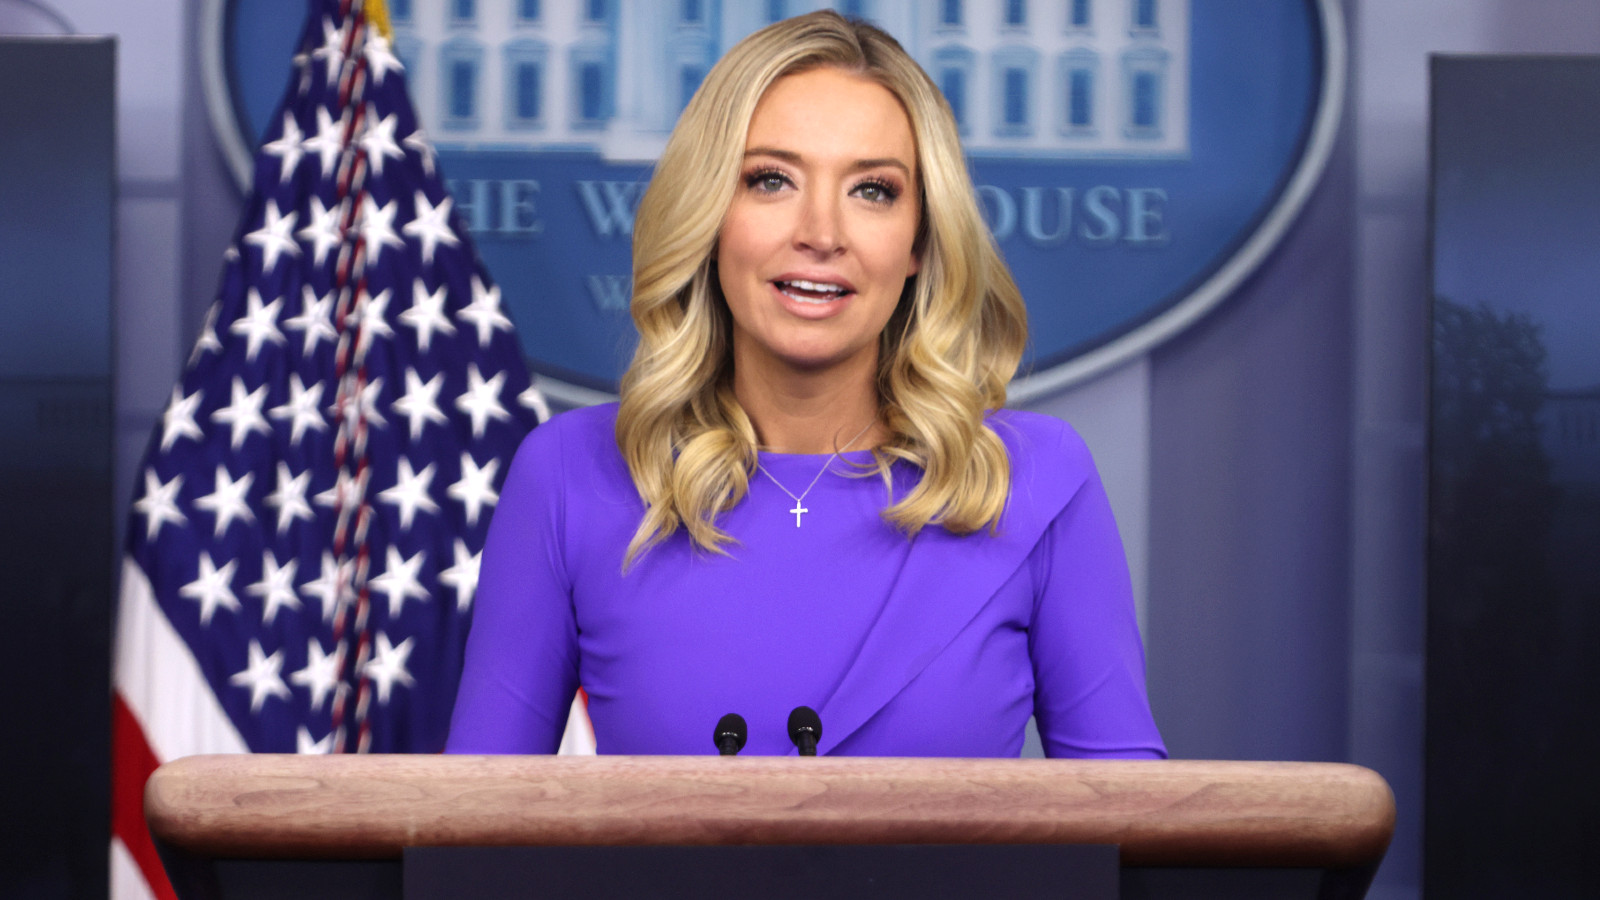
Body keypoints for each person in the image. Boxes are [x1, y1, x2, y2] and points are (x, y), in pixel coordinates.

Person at [446, 11, 1165, 759]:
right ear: (711, 214)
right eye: (771, 180)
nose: (822, 231)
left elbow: (1125, 834)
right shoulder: (568, 475)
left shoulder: (1037, 480)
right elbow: (474, 838)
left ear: (921, 238)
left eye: (873, 191)